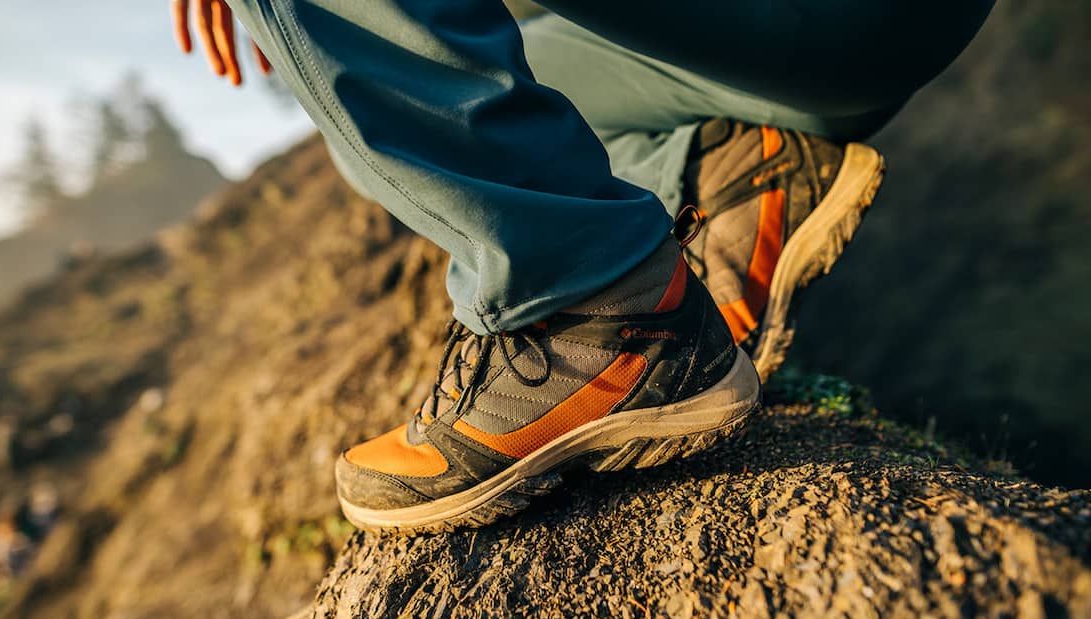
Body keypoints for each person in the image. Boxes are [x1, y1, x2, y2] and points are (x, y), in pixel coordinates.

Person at [171, 0, 994, 532]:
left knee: (398, 83)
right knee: (416, 91)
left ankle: (596, 314)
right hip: (838, 51)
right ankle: (735, 168)